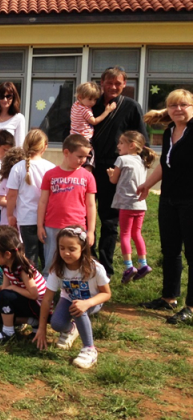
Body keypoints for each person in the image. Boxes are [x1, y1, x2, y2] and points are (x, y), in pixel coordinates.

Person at [137, 89, 193, 324]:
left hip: (191, 199)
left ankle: (190, 307)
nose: (178, 109)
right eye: (173, 106)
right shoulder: (170, 130)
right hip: (169, 198)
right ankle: (169, 297)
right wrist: (147, 184)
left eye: (183, 105)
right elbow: (165, 164)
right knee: (170, 250)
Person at [91, 66, 148, 277]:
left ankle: (105, 267)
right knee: (84, 216)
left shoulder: (131, 106)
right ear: (101, 83)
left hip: (114, 171)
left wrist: (141, 179)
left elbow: (143, 141)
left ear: (124, 84)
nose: (113, 87)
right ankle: (87, 257)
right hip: (88, 167)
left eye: (118, 83)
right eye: (109, 82)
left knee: (109, 219)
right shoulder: (90, 104)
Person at [34, 226, 111, 369]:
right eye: (62, 248)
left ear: (82, 248)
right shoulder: (57, 269)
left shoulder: (95, 268)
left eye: (71, 249)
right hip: (68, 299)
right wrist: (42, 328)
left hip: (93, 300)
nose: (66, 253)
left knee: (78, 308)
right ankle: (71, 329)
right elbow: (47, 298)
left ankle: (89, 349)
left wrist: (87, 303)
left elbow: (106, 293)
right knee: (56, 324)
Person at [37, 134, 97, 277]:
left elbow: (91, 205)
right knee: (50, 262)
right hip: (52, 226)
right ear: (66, 152)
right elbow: (43, 201)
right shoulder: (50, 175)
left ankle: (75, 289)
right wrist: (40, 225)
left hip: (77, 227)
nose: (83, 160)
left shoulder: (88, 176)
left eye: (86, 157)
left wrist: (90, 231)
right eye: (79, 156)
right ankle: (47, 293)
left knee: (76, 261)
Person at [0, 226, 46, 344]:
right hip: (28, 303)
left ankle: (8, 333)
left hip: (40, 307)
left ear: (7, 254)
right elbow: (3, 292)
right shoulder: (7, 267)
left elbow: (34, 294)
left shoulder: (22, 268)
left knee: (7, 295)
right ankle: (34, 322)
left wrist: (13, 288)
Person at [107, 131, 156, 284]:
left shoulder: (121, 160)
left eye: (121, 143)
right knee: (137, 233)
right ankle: (143, 264)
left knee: (125, 235)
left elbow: (114, 180)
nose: (118, 145)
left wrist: (110, 174)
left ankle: (129, 266)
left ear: (132, 145)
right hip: (140, 204)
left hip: (126, 204)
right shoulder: (143, 161)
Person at [6, 129, 55, 270]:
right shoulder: (51, 168)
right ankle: (49, 284)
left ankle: (32, 284)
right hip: (47, 218)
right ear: (45, 146)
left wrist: (10, 215)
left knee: (30, 253)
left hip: (26, 218)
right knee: (47, 254)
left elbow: (11, 195)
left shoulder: (17, 168)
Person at [70, 81, 116, 171]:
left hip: (73, 137)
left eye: (95, 99)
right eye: (90, 99)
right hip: (84, 138)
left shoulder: (75, 105)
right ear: (80, 97)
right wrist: (107, 111)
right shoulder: (85, 110)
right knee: (89, 160)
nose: (93, 102)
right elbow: (94, 121)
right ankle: (88, 177)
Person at [0, 147, 26, 228]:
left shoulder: (25, 180)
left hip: (21, 218)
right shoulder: (5, 180)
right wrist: (13, 203)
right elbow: (1, 200)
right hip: (7, 219)